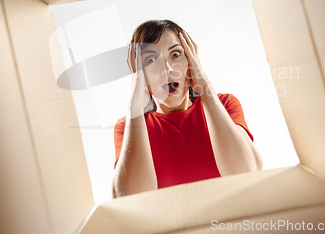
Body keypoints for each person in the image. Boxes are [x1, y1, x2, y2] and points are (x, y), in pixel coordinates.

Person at [112, 20, 263, 198]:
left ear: (191, 60)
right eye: (151, 60)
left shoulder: (225, 104)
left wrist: (205, 88)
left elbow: (248, 172)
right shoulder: (128, 126)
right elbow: (129, 199)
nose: (167, 69)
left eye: (176, 54)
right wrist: (134, 108)